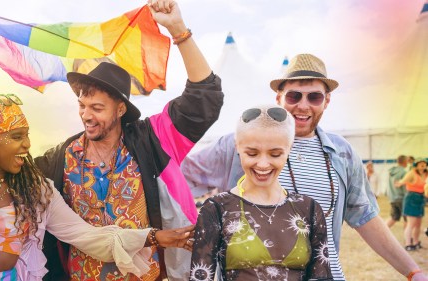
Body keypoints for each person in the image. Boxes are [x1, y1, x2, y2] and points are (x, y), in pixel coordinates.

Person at [0, 4, 193, 280]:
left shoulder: (36, 190)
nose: (27, 145)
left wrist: (153, 236)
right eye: (16, 136)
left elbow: (88, 236)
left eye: (27, 135)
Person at [181, 54, 427, 280]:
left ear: (326, 101)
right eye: (294, 96)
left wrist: (413, 271)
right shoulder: (238, 144)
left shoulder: (341, 153)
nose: (303, 105)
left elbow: (366, 217)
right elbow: (178, 177)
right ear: (279, 98)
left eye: (314, 96)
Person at [34, 1, 223, 280]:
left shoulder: (151, 139)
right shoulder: (63, 154)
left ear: (120, 109)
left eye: (97, 108)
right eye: (82, 105)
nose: (86, 115)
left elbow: (204, 99)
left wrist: (178, 30)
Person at [190, 105, 332, 280]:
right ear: (237, 146)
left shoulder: (309, 209)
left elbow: (322, 277)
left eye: (275, 154)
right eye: (252, 153)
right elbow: (199, 276)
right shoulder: (217, 209)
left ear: (289, 148)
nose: (263, 164)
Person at [397, 158, 427, 251]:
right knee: (411, 223)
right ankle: (408, 244)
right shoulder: (412, 173)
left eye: (424, 164)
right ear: (416, 165)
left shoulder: (426, 173)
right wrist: (400, 183)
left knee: (418, 223)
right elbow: (402, 181)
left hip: (421, 199)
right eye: (420, 164)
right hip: (411, 198)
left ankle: (416, 242)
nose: (423, 165)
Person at [386, 155, 408, 228]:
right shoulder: (404, 172)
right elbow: (406, 187)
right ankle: (407, 239)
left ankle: (380, 232)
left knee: (394, 217)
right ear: (405, 162)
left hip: (393, 198)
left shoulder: (391, 171)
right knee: (407, 219)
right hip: (402, 198)